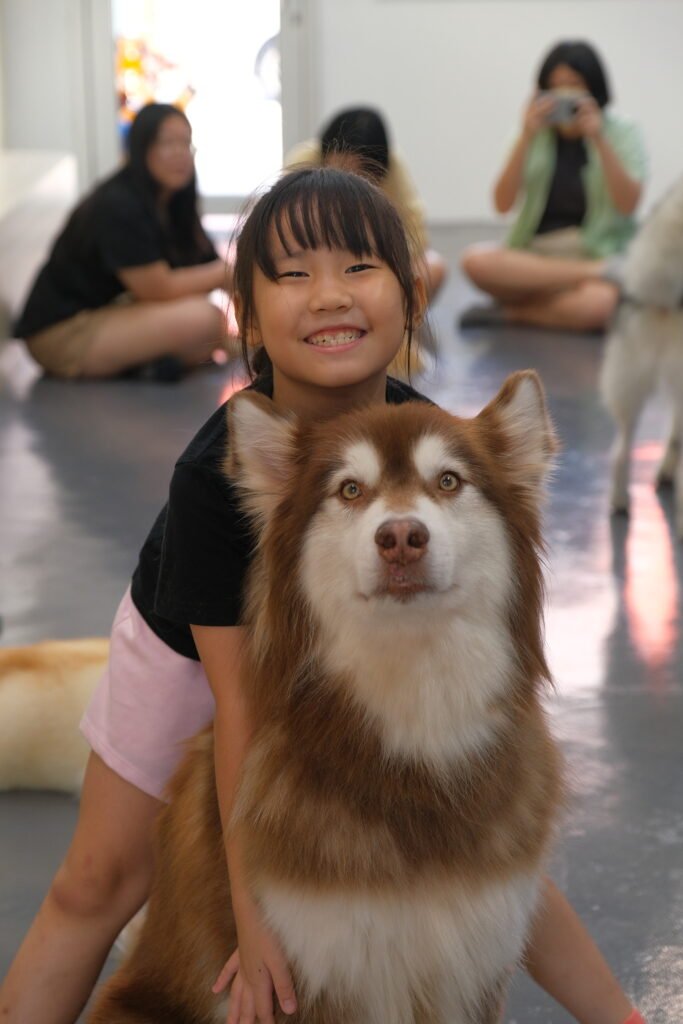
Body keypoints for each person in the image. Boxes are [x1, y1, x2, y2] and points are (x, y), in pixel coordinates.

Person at [0, 167, 644, 1024]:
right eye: (294, 274)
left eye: (359, 268)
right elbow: (242, 715)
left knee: (470, 845)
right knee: (98, 880)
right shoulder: (216, 475)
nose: (329, 295)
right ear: (248, 314)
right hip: (197, 645)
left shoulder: (414, 424)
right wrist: (255, 916)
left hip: (349, 633)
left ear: (411, 296)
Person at [13, 102, 230, 382]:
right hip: (62, 332)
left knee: (202, 323)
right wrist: (224, 274)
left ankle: (146, 365)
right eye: (167, 143)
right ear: (141, 148)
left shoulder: (172, 199)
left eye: (186, 143)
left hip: (110, 311)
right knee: (206, 320)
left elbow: (205, 261)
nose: (180, 153)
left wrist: (229, 275)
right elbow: (158, 288)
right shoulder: (118, 203)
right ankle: (145, 364)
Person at [460, 40, 647, 333]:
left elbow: (628, 204)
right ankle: (585, 280)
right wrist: (525, 137)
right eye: (555, 86)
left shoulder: (622, 132)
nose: (563, 95)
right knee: (475, 261)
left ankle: (511, 312)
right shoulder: (533, 132)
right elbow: (502, 204)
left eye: (573, 85)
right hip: (538, 253)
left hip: (594, 249)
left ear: (594, 90)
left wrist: (599, 139)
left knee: (601, 304)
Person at [284, 105, 448, 303]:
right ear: (325, 154)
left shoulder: (392, 166)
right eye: (337, 170)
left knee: (432, 267)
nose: (345, 182)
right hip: (314, 261)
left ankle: (396, 314)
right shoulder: (304, 160)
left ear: (375, 169)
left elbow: (414, 228)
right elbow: (285, 225)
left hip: (370, 259)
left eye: (357, 174)